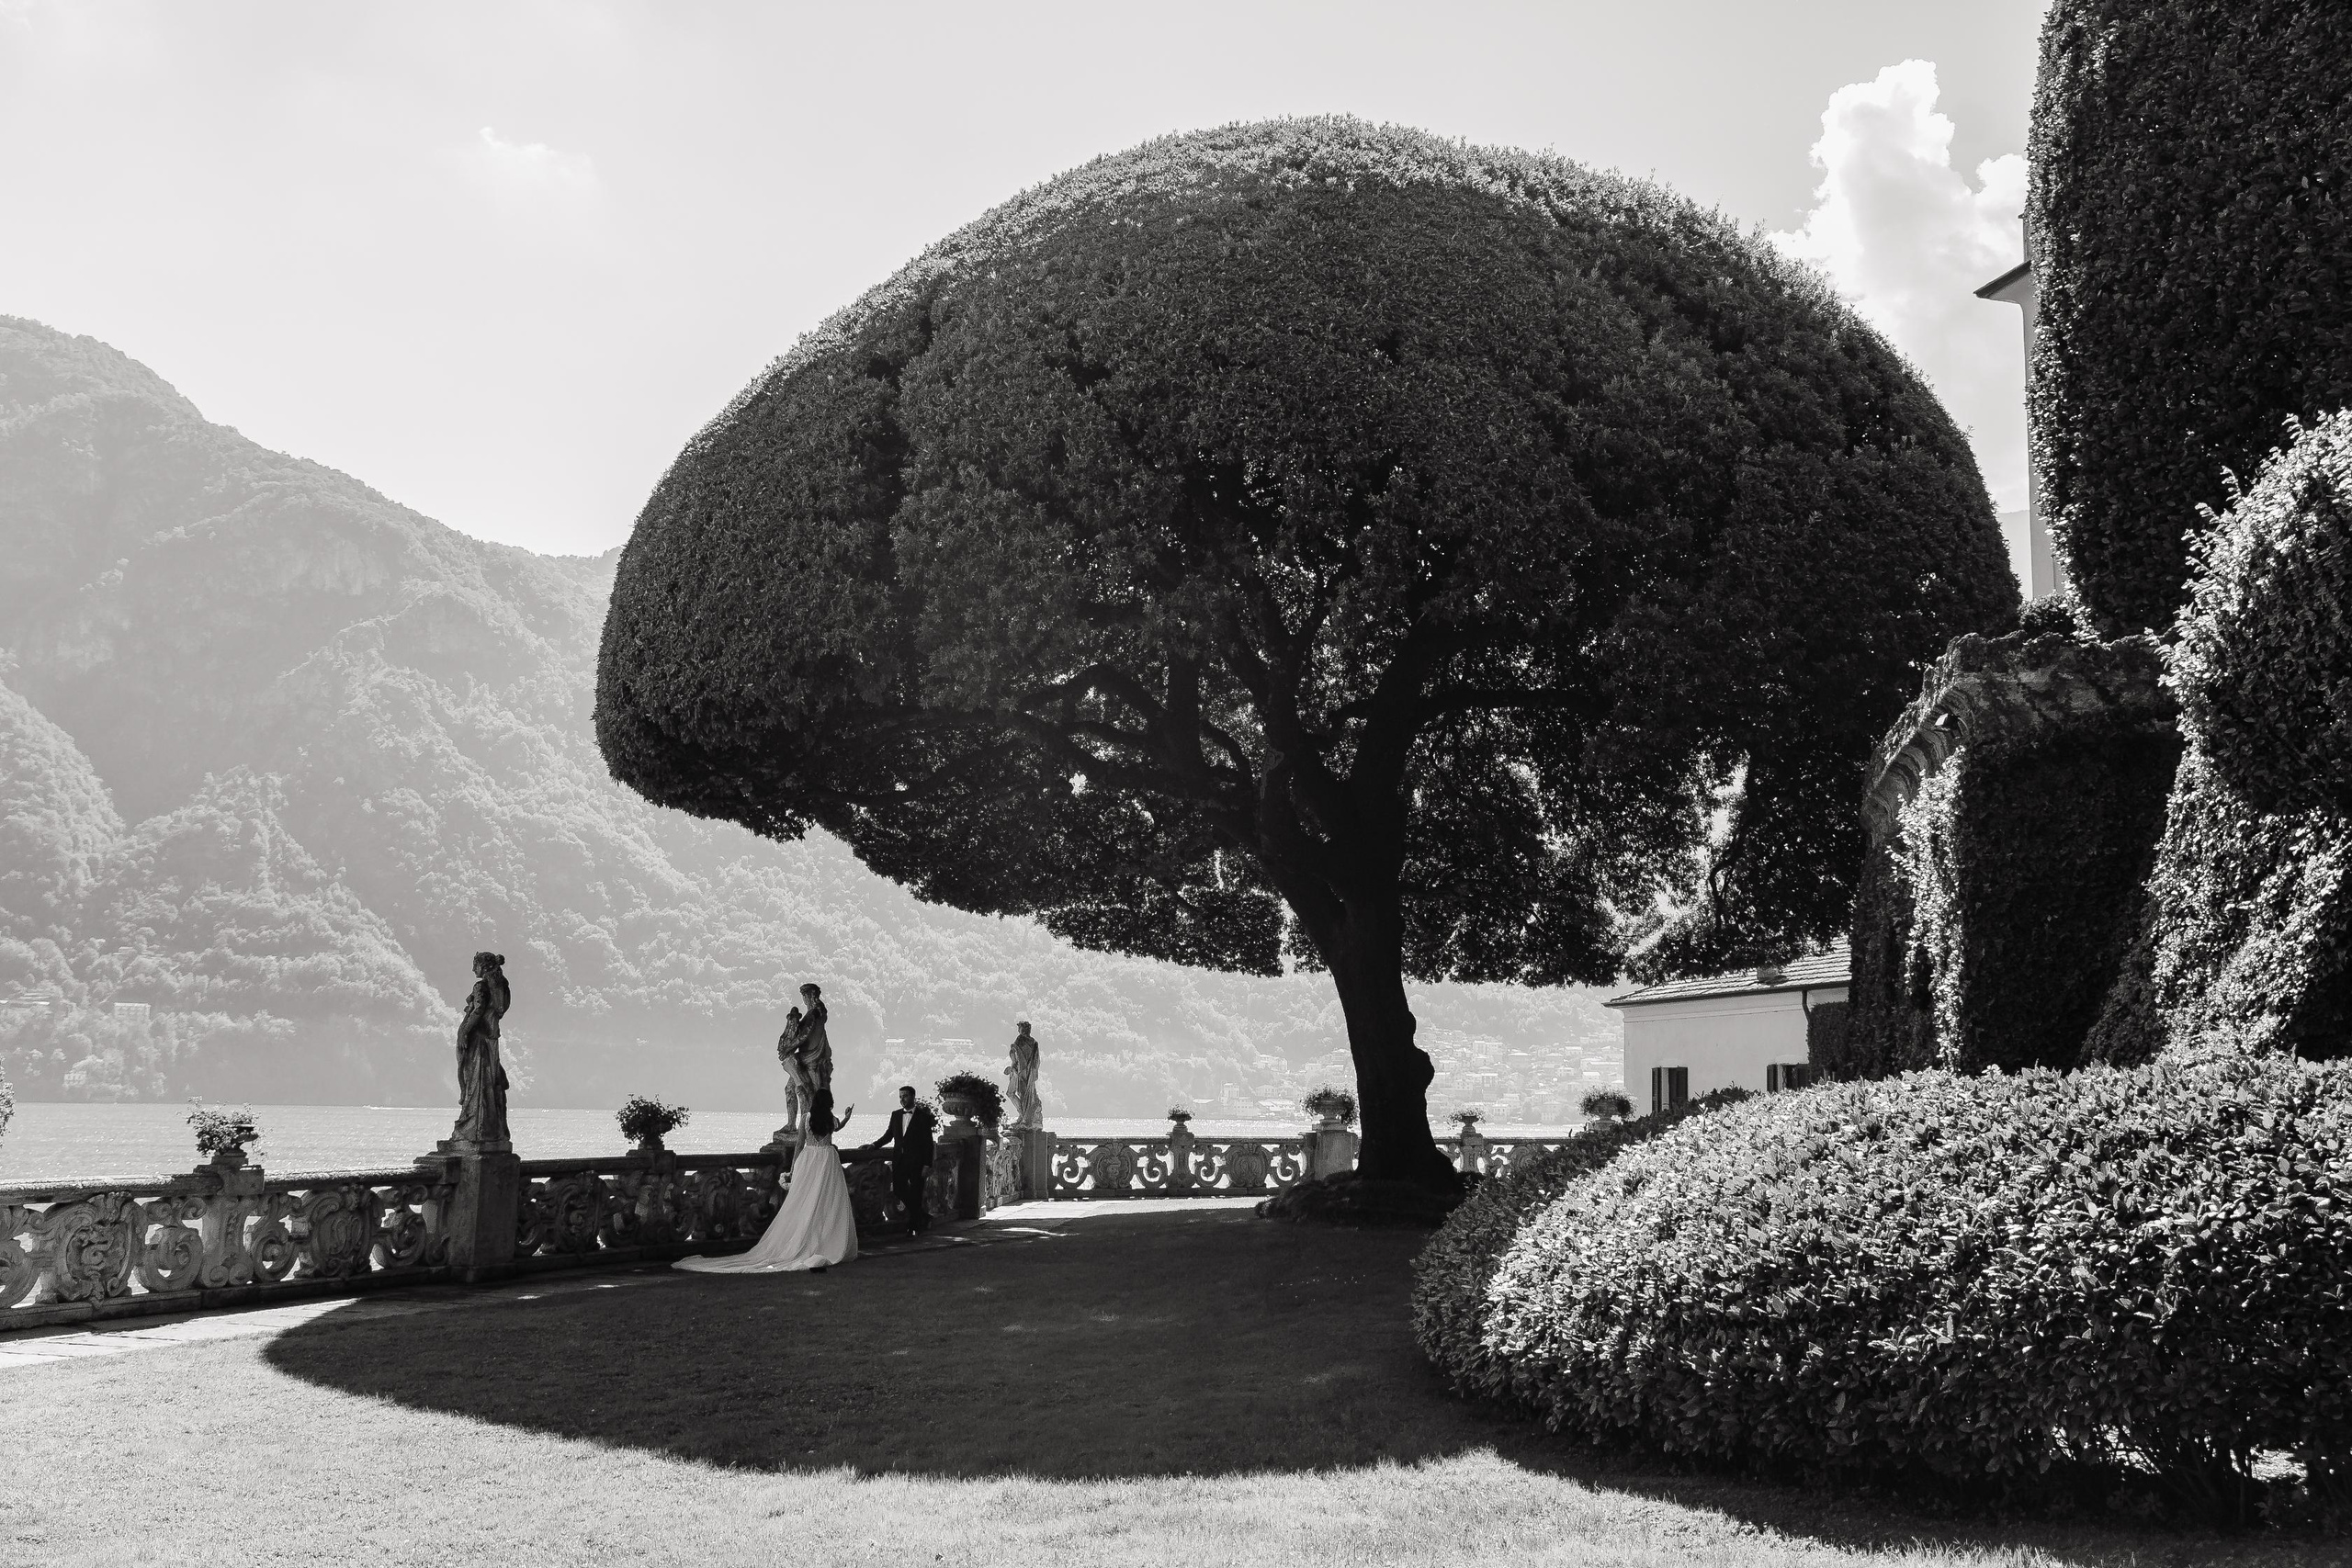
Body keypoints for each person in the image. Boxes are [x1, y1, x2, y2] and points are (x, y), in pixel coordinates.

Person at [674, 1092, 858, 1274]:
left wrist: (793, 1169)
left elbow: (799, 1145)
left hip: (809, 1160)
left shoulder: (806, 1119)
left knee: (804, 1201)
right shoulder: (830, 1120)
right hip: (827, 1161)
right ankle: (825, 1240)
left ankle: (805, 1239)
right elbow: (838, 1127)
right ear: (829, 1103)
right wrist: (847, 1118)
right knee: (828, 1201)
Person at [450, 952, 512, 1147]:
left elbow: (478, 1010)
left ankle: (474, 1128)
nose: (472, 969)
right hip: (491, 1039)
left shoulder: (481, 987)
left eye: (475, 965)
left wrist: (464, 1032)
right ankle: (491, 1129)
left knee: (475, 1082)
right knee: (490, 1083)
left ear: (483, 966)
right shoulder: (501, 986)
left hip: (478, 1040)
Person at [863, 1085, 937, 1234]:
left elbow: (928, 1143)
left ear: (913, 1097)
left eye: (905, 1096)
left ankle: (913, 1228)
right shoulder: (896, 1115)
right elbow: (888, 1135)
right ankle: (923, 1216)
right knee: (898, 1190)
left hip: (917, 1162)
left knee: (916, 1193)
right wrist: (874, 1145)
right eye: (900, 1097)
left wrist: (927, 1165)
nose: (902, 1099)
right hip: (899, 1160)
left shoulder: (923, 1117)